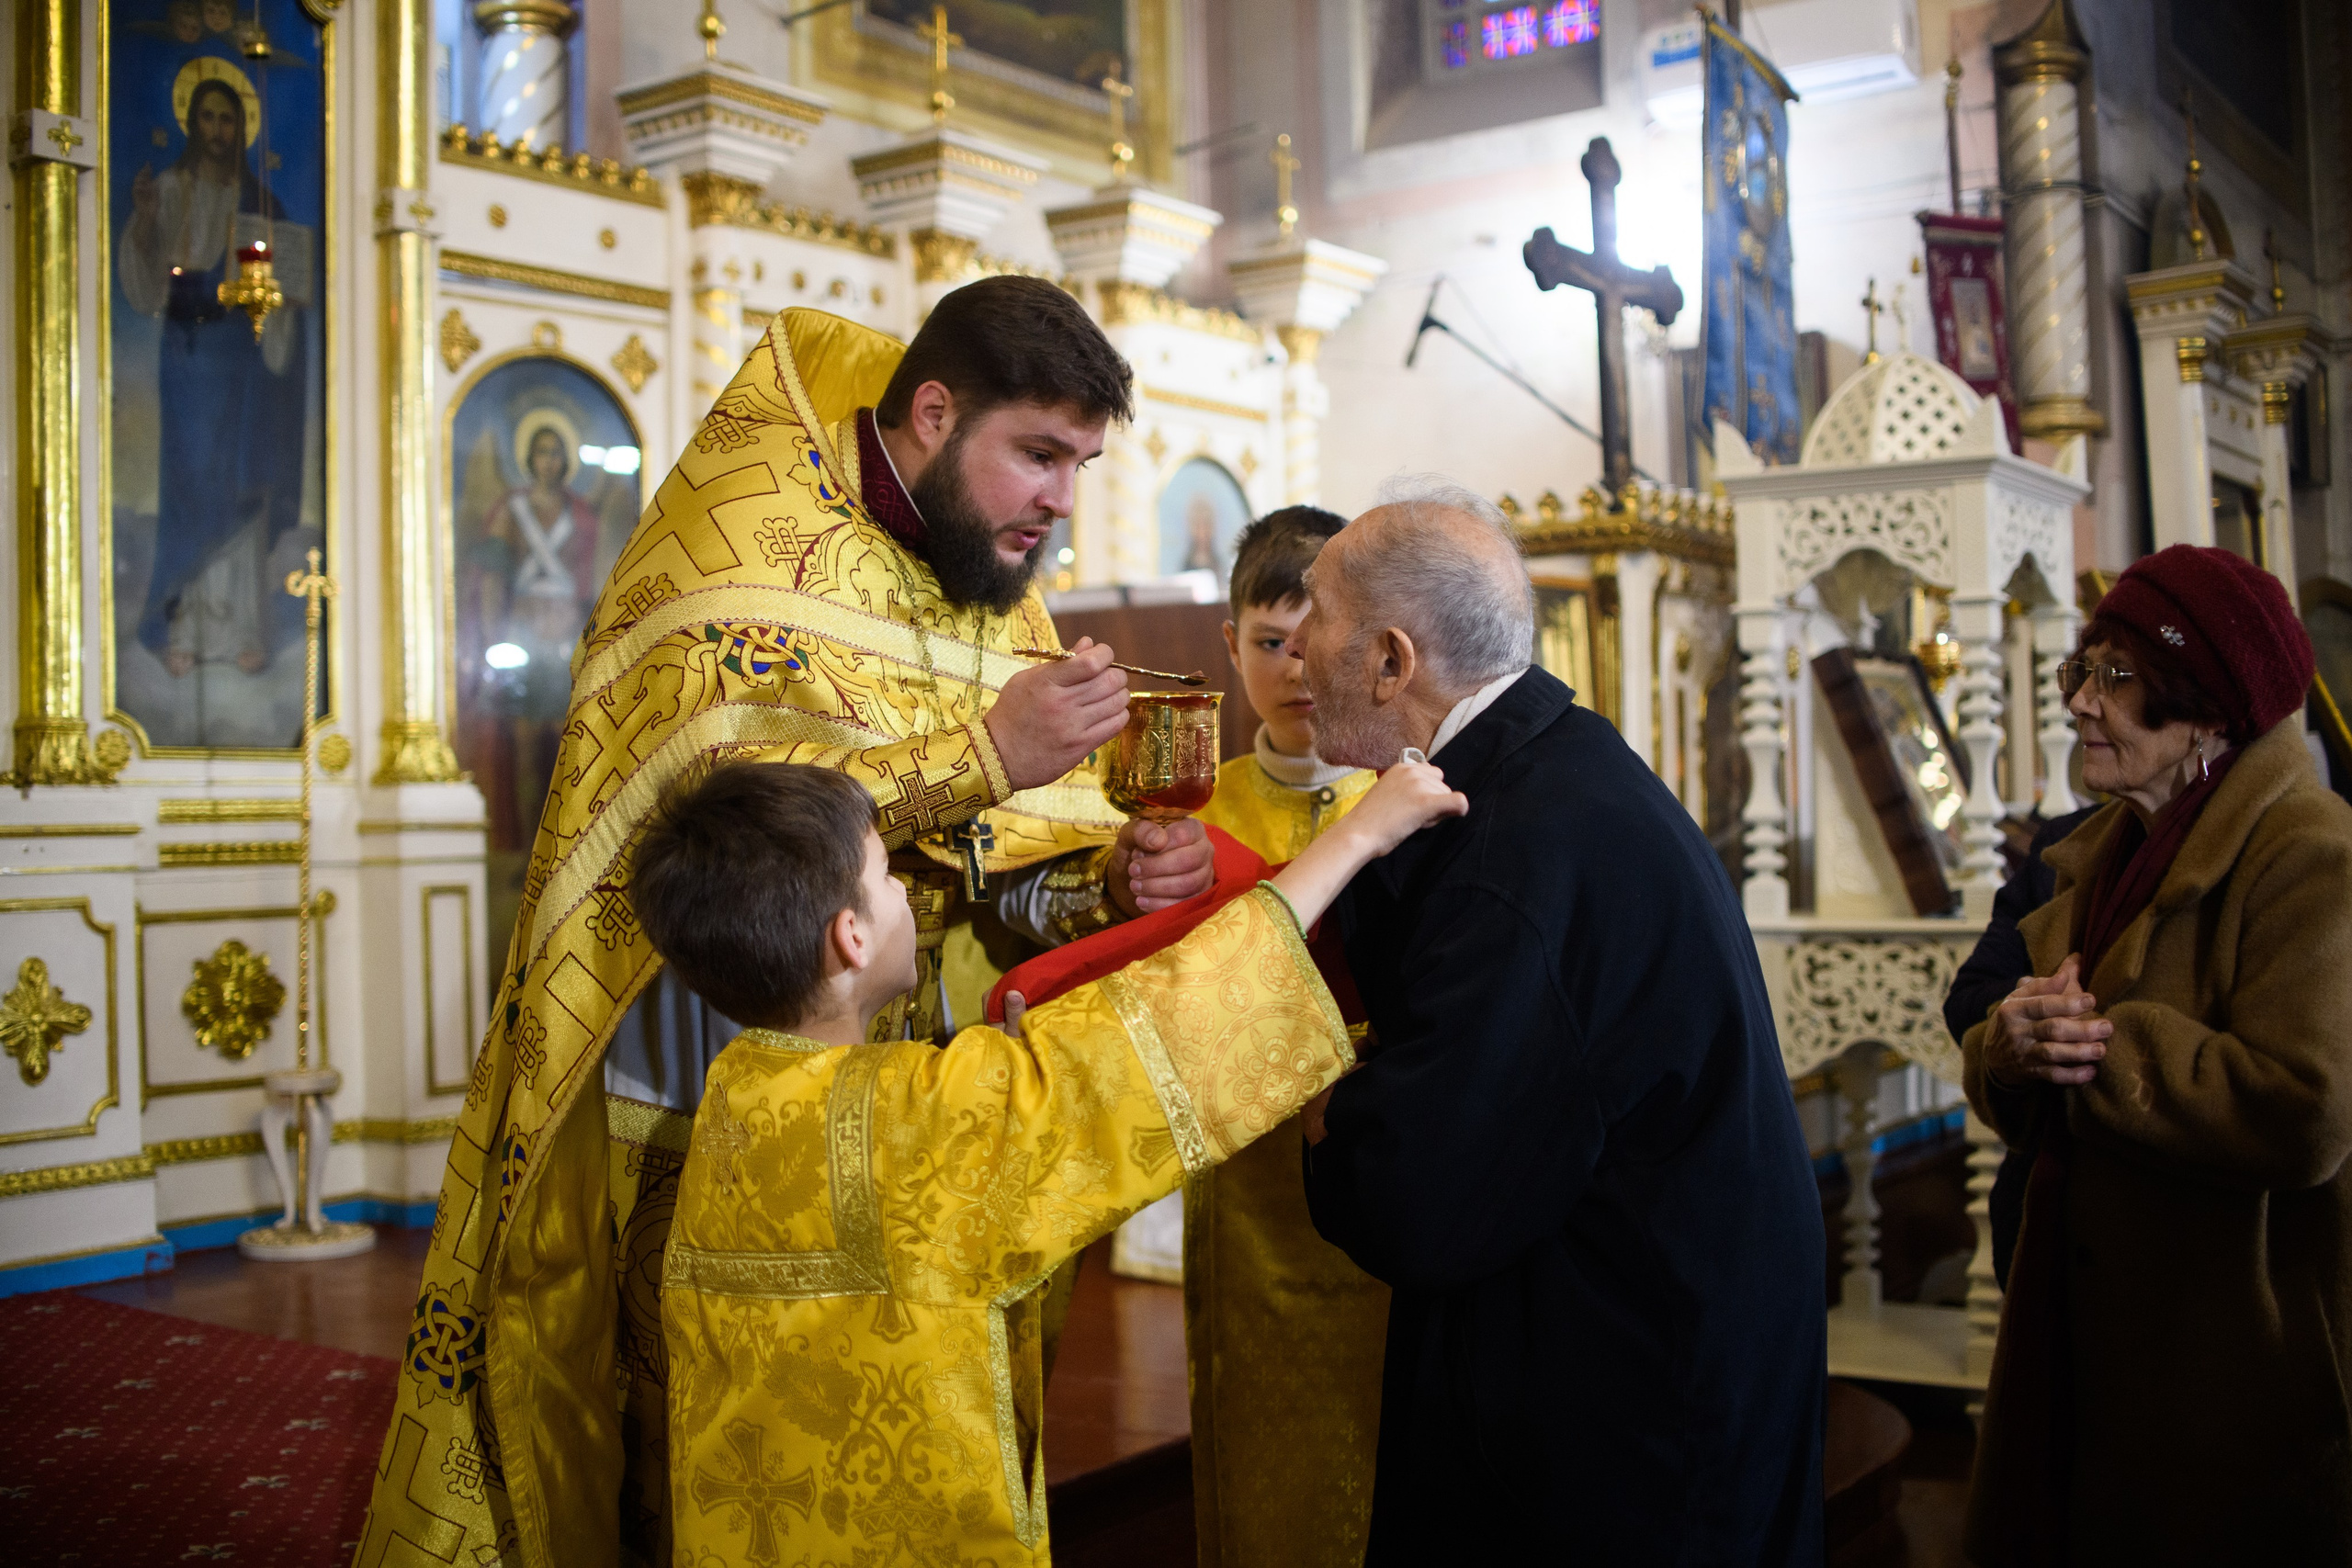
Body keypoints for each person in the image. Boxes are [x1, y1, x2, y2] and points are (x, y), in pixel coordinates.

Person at [358, 280, 1220, 1568]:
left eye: (1082, 464)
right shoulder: (737, 544)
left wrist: (1109, 879)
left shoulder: (982, 571)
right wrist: (988, 750)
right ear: (934, 413)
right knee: (720, 1446)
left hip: (920, 1103)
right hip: (708, 1091)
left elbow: (1006, 860)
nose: (1061, 502)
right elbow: (716, 838)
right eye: (1038, 456)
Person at [633, 757, 1466, 1565]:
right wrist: (1360, 835)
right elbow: (1176, 1019)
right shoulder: (929, 1114)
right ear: (850, 937)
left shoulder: (732, 1104)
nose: (903, 897)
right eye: (888, 878)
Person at [1295, 474, 1826, 1564]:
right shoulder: (1551, 770)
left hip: (1620, 1405)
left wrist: (1322, 1112)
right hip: (1653, 1339)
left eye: (1316, 619)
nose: (1294, 652)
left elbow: (1425, 1198)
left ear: (1392, 660)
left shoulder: (1524, 851)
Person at [1962, 544, 2352, 1566]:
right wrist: (2009, 1044)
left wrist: (2106, 1043)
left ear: (2208, 710)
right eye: (2079, 674)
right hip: (2083, 1332)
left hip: (2224, 1358)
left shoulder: (2309, 852)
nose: (2082, 704)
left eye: (2117, 679)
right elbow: (2020, 1037)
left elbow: (2306, 1109)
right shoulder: (2112, 843)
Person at [1181, 504, 1385, 1568]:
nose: (1297, 673)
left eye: (1316, 644)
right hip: (1248, 1184)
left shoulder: (1406, 801)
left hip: (1383, 1168)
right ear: (1232, 646)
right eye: (1270, 645)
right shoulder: (1194, 809)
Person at [119, 70, 308, 682]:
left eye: (229, 120)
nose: (219, 131)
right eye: (208, 118)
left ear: (242, 129)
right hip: (188, 352)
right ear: (192, 124)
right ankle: (181, 626)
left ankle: (241, 631)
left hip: (241, 358)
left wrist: (279, 301)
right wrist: (146, 220)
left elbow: (281, 297)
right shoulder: (169, 189)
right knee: (193, 484)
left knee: (239, 485)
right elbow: (147, 287)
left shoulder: (262, 204)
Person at [1944, 803, 2096, 1289]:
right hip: (2042, 1205)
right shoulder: (2064, 842)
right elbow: (1966, 1000)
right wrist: (2037, 1004)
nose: (2080, 719)